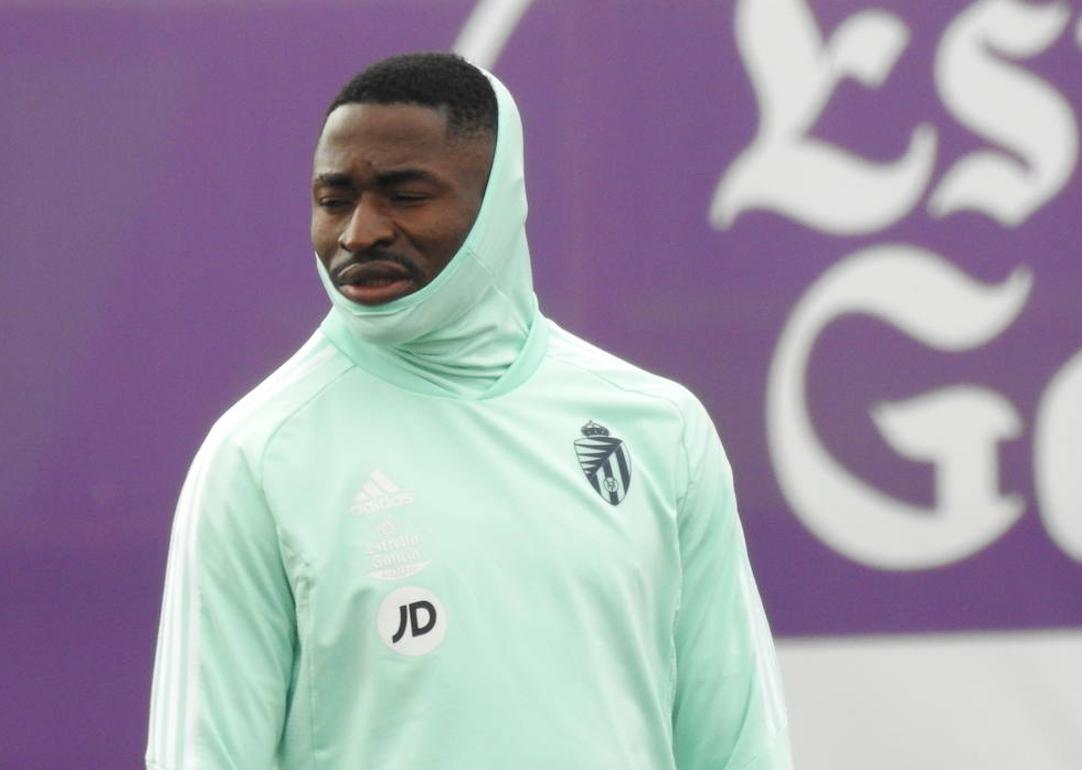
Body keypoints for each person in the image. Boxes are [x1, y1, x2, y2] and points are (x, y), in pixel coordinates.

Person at [146, 52, 792, 770]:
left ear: (497, 204)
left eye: (405, 194)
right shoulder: (259, 453)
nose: (360, 233)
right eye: (334, 199)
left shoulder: (659, 428)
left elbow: (736, 743)